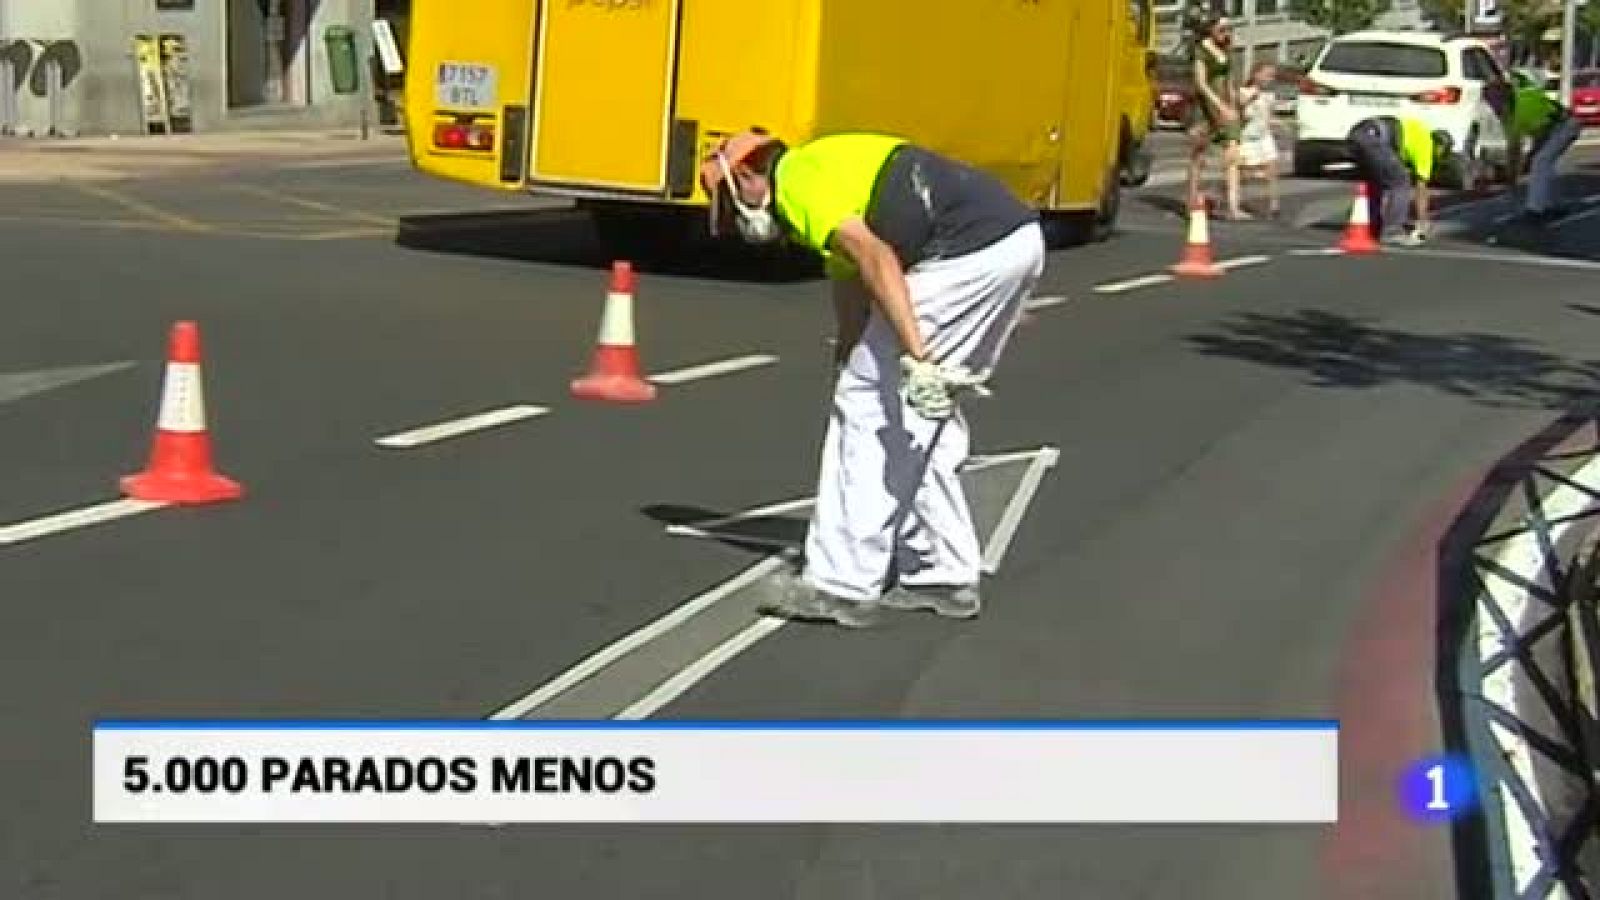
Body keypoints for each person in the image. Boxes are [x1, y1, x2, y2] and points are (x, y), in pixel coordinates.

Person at [698, 130, 1045, 628]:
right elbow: (849, 276)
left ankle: (841, 585)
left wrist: (915, 355)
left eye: (728, 200)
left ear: (750, 175)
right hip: (1013, 242)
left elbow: (876, 259)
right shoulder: (823, 170)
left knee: (870, 405)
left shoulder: (796, 184)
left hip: (966, 257)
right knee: (923, 411)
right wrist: (849, 350)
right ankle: (941, 573)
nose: (734, 218)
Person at [1345, 115, 1453, 247]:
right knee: (1401, 182)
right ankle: (1393, 232)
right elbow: (1421, 189)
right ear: (1440, 146)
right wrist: (1423, 221)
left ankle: (1372, 225)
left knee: (1377, 181)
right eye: (1442, 154)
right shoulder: (1427, 147)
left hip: (1358, 132)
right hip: (1374, 138)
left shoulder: (1419, 130)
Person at [1186, 16, 1247, 220]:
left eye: (1229, 29)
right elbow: (1201, 83)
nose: (1227, 33)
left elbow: (1230, 80)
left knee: (1233, 152)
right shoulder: (1201, 51)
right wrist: (1218, 104)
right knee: (1199, 155)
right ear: (1211, 29)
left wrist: (1234, 103)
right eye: (1222, 29)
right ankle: (1192, 200)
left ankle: (1233, 206)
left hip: (1225, 106)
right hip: (1205, 107)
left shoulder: (1227, 50)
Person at [1507, 69, 1581, 221]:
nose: (1493, 106)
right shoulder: (1508, 113)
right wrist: (1512, 177)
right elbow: (1514, 147)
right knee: (1544, 163)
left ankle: (1536, 209)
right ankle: (1552, 204)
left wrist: (1530, 156)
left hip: (1565, 125)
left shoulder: (1524, 105)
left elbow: (1543, 133)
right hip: (1556, 127)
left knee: (1540, 161)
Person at [1236, 61, 1283, 219]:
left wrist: (1277, 124)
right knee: (1244, 173)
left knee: (1272, 168)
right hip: (1247, 137)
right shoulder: (1243, 92)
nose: (1270, 79)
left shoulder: (1269, 96)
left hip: (1264, 136)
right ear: (1256, 74)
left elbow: (1268, 116)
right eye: (1267, 75)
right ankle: (1233, 198)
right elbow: (1239, 113)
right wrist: (1249, 100)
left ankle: (1274, 204)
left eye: (1272, 76)